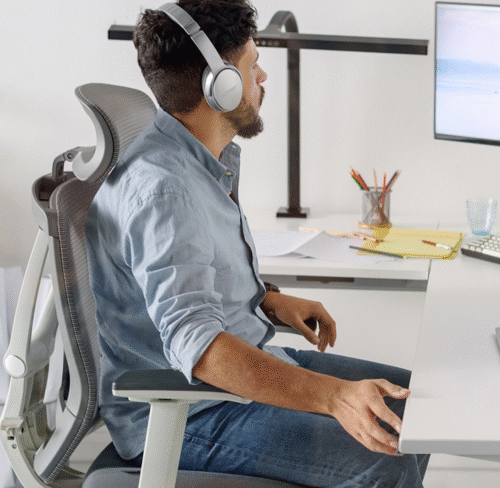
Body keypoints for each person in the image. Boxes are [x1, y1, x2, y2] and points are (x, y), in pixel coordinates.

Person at [85, 1, 430, 486]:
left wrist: (267, 300)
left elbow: (176, 279)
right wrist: (333, 395)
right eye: (252, 63)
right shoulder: (166, 189)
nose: (264, 74)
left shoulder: (196, 160)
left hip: (233, 375)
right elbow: (200, 348)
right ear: (219, 85)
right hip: (189, 412)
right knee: (386, 450)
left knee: (416, 404)